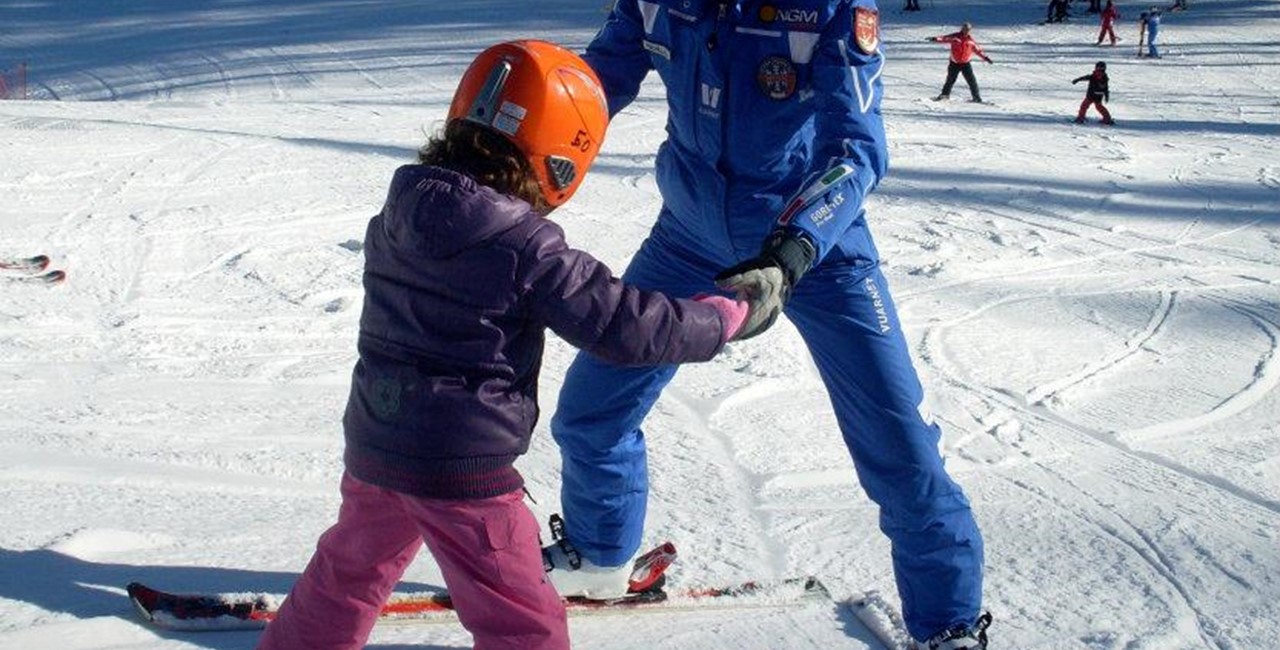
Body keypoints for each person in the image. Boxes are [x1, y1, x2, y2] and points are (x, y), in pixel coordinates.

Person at [254, 40, 753, 650]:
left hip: (377, 443)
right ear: (559, 156)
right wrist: (716, 321)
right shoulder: (526, 246)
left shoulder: (396, 214)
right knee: (521, 619)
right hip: (465, 472)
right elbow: (624, 325)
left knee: (345, 576)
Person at [543, 2, 991, 649]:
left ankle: (948, 624)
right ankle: (600, 556)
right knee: (592, 411)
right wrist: (505, 156)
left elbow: (857, 147)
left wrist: (795, 248)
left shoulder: (831, 9)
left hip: (818, 250)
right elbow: (588, 90)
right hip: (689, 239)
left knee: (899, 451)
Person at [930, 23, 994, 102]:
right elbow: (944, 38)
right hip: (954, 63)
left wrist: (986, 58)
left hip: (965, 63)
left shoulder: (970, 40)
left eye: (968, 29)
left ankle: (976, 97)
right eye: (965, 29)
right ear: (962, 29)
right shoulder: (955, 37)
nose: (966, 31)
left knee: (972, 81)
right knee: (950, 80)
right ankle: (944, 95)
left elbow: (978, 50)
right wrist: (935, 39)